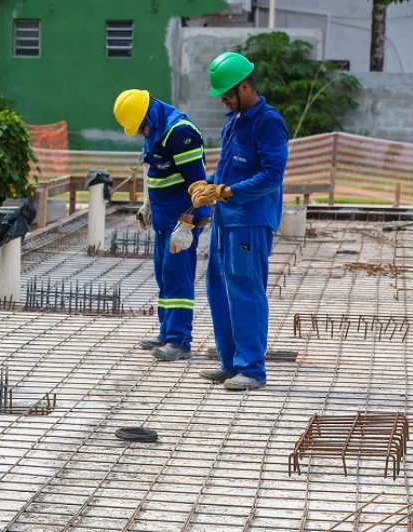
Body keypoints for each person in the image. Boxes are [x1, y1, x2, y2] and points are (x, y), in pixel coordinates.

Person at [189, 51, 290, 391]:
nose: (224, 101)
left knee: (246, 292)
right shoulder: (235, 119)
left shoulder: (268, 122)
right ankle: (231, 362)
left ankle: (252, 368)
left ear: (245, 86)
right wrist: (209, 182)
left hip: (249, 220)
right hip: (226, 219)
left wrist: (226, 191)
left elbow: (272, 176)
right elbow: (232, 170)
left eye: (228, 95)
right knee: (218, 288)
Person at [113, 90, 211, 362]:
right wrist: (147, 202)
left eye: (141, 127)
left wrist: (188, 223)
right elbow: (155, 171)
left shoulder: (180, 133)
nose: (141, 133)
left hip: (181, 217)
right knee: (164, 273)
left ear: (149, 115)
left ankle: (180, 341)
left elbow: (197, 185)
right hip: (163, 216)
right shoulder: (154, 130)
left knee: (178, 278)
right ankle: (167, 332)